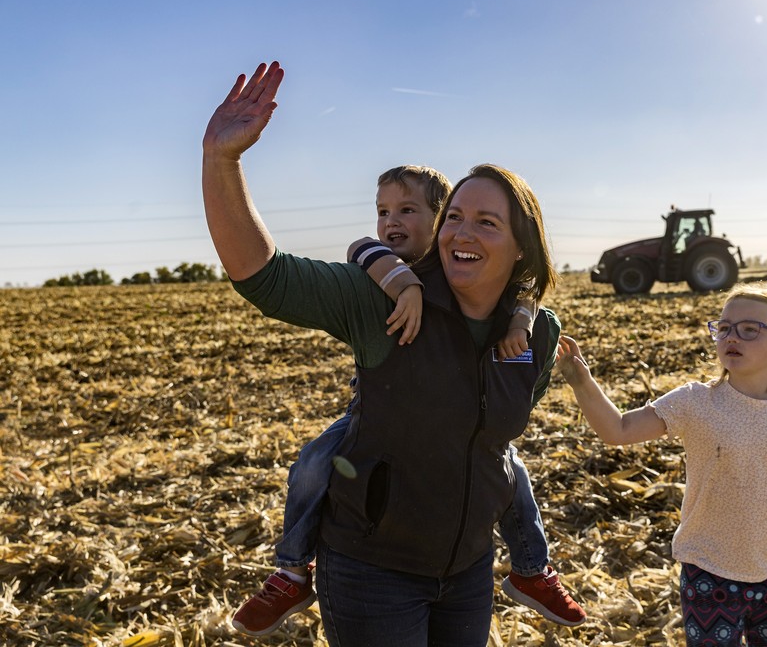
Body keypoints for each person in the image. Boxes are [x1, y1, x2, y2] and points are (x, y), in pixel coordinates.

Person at [203, 61, 579, 646]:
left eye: (486, 222)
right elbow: (263, 277)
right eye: (455, 216)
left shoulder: (537, 334)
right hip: (370, 573)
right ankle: (291, 569)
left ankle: (533, 569)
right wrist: (222, 161)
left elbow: (493, 441)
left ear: (520, 244)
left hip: (469, 573)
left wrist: (524, 315)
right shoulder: (383, 297)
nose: (462, 233)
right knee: (317, 458)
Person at [556, 283, 767, 646]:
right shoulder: (695, 402)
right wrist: (582, 383)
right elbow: (618, 430)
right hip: (708, 572)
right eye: (725, 327)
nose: (733, 337)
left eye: (750, 329)